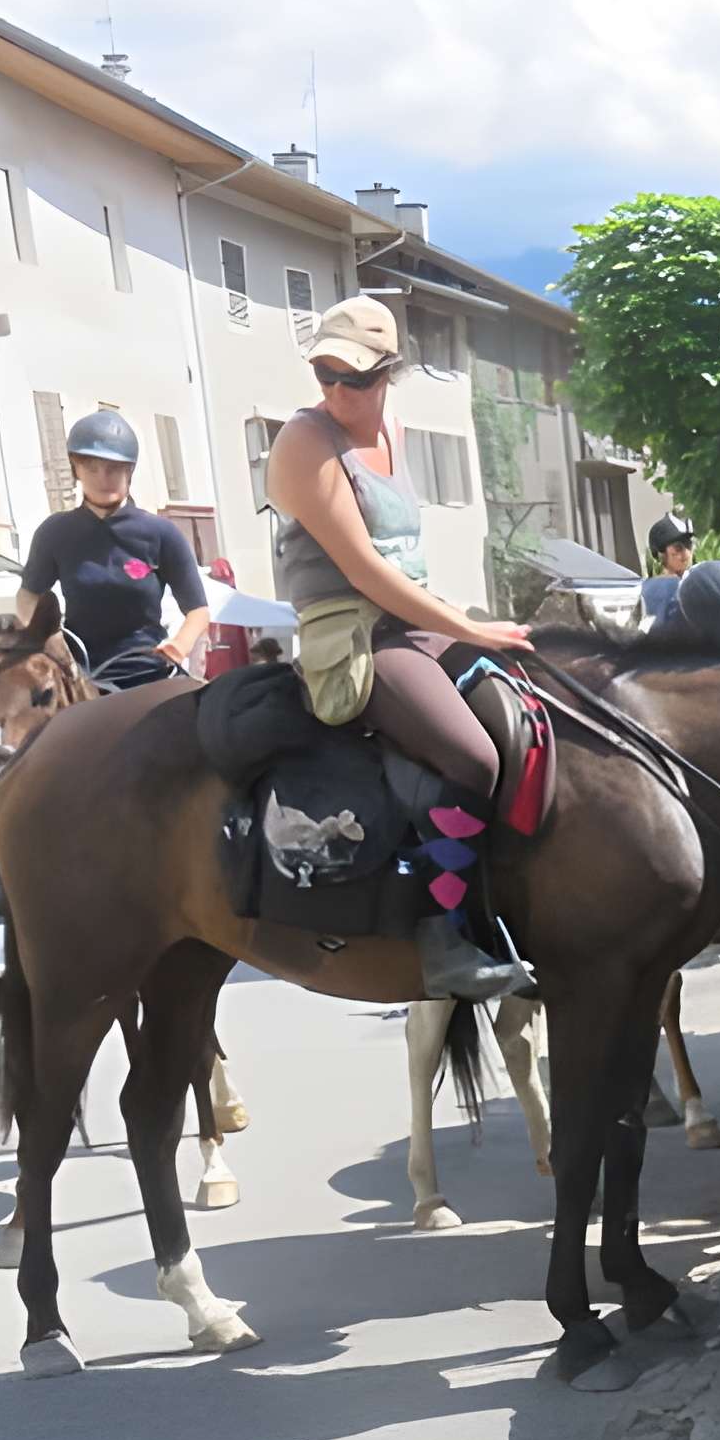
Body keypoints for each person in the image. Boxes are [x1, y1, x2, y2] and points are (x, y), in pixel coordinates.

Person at [266, 295, 535, 1003]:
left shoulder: (399, 426)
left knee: (528, 702)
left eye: (353, 376)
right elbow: (365, 572)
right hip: (353, 631)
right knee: (473, 757)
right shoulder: (304, 441)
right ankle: (444, 936)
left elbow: (406, 563)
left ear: (389, 373)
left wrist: (467, 629)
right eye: (325, 373)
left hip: (409, 620)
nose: (335, 390)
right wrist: (471, 627)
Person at [17, 409, 208, 687]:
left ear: (129, 470)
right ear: (76, 469)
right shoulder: (55, 532)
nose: (102, 478)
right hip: (81, 675)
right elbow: (27, 596)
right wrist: (46, 636)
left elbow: (198, 610)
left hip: (152, 672)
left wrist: (180, 644)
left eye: (113, 469)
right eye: (91, 468)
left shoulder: (161, 533)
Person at [637, 513, 696, 629]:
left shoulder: (698, 583)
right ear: (661, 553)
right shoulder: (653, 590)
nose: (686, 553)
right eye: (678, 547)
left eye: (688, 545)